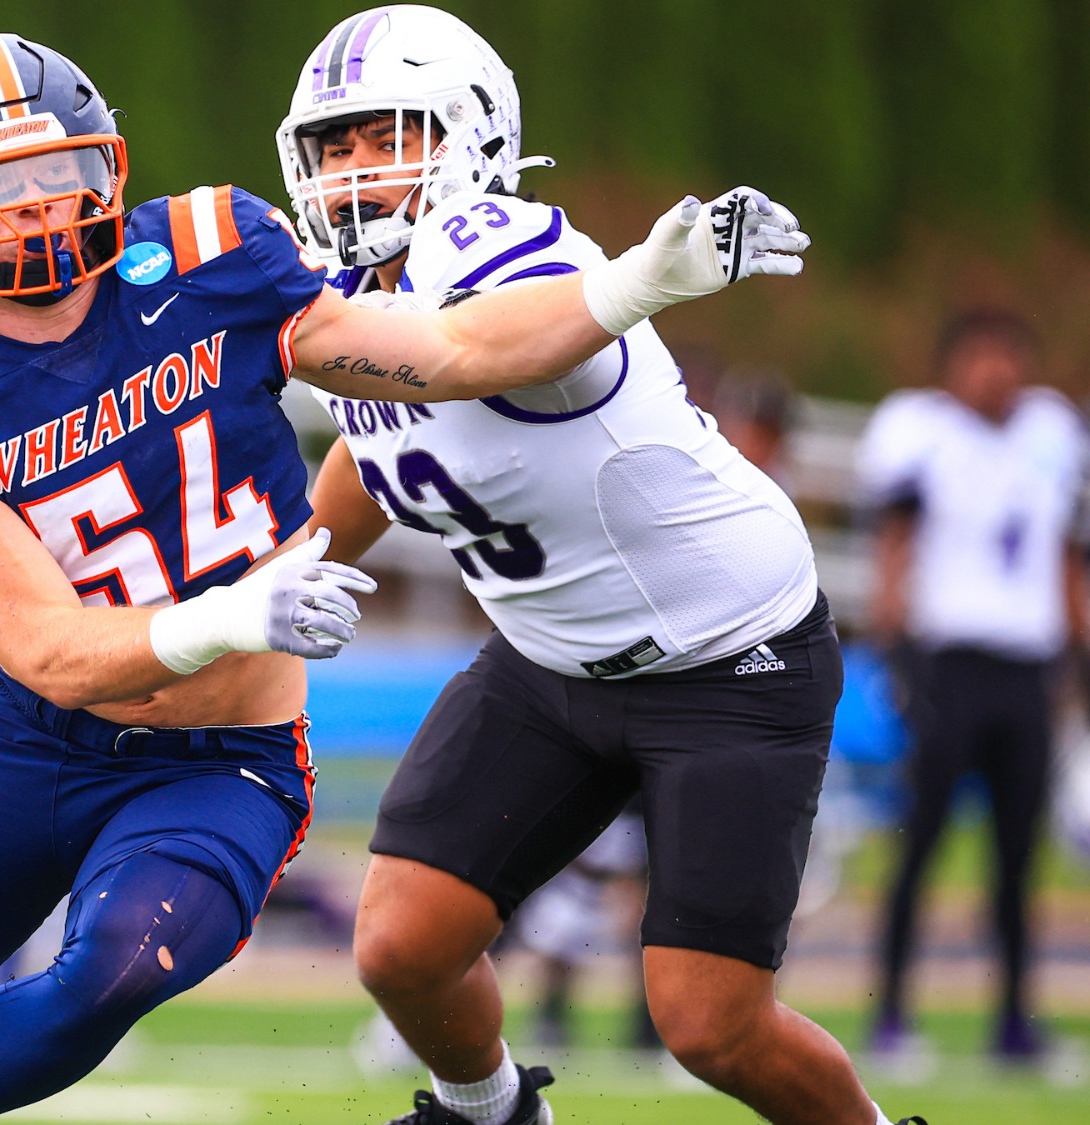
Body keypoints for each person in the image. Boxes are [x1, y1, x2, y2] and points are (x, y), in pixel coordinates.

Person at [0, 29, 810, 1125]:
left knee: (106, 973)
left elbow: (450, 353)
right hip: (28, 749)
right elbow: (51, 654)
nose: (36, 210)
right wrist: (234, 610)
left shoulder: (211, 256)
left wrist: (627, 284)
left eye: (57, 177)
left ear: (107, 168)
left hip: (217, 766)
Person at [277, 8, 912, 1125]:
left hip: (725, 657)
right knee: (401, 945)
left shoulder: (501, 248)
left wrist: (626, 287)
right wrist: (281, 570)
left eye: (386, 135)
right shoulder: (349, 300)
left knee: (711, 1026)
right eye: (337, 145)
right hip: (547, 663)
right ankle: (495, 1116)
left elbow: (489, 344)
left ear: (469, 134)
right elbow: (371, 449)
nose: (357, 169)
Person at [857, 308, 1085, 1063]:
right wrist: (896, 654)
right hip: (947, 661)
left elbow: (1067, 554)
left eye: (1010, 356)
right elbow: (894, 546)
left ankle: (1015, 1021)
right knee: (918, 844)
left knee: (1019, 856)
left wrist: (1076, 658)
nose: (998, 372)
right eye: (982, 357)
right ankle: (889, 1014)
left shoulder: (1053, 430)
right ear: (952, 366)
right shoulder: (920, 431)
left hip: (1028, 664)